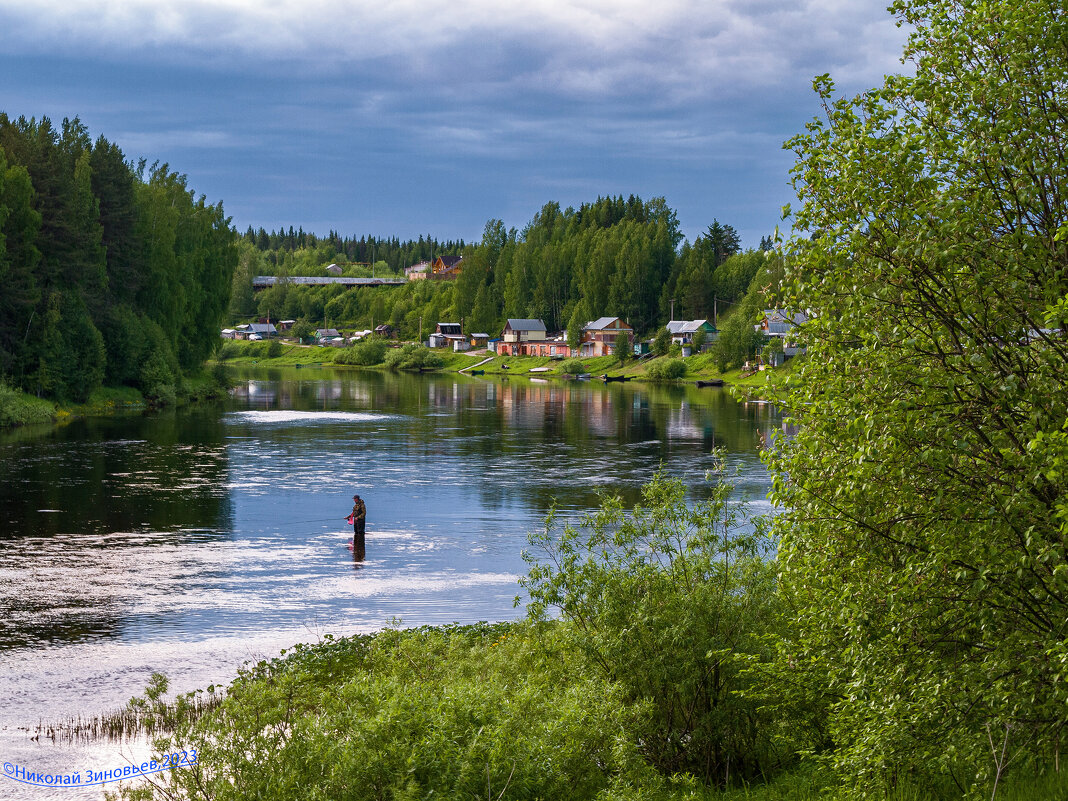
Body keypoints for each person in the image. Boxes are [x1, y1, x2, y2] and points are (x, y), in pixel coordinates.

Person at [349, 494, 366, 561]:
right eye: (353, 499)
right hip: (356, 522)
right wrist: (348, 517)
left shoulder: (362, 505)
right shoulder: (355, 505)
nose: (354, 500)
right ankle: (356, 546)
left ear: (357, 499)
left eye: (354, 499)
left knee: (360, 533)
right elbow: (353, 513)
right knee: (356, 533)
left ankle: (360, 546)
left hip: (361, 521)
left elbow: (364, 513)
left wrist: (358, 518)